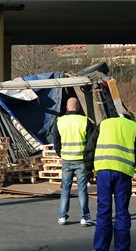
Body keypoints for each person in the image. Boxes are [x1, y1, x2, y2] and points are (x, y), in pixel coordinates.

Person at [84, 113, 136, 251]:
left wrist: (88, 170)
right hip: (123, 174)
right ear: (130, 118)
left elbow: (90, 147)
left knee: (103, 211)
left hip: (103, 171)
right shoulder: (135, 128)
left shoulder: (104, 124)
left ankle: (100, 247)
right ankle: (122, 248)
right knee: (122, 212)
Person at [53, 97, 94, 227]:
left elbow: (56, 141)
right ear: (79, 108)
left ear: (66, 107)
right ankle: (84, 217)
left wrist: (61, 153)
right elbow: (90, 143)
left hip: (66, 159)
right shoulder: (84, 121)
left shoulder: (59, 121)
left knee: (65, 188)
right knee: (82, 189)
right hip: (81, 160)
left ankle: (62, 217)